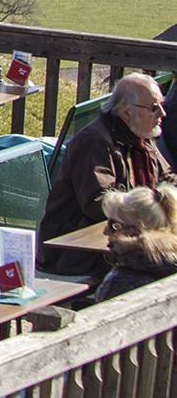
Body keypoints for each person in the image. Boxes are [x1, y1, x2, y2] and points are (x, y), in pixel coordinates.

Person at [40, 73, 175, 277]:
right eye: (154, 107)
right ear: (127, 113)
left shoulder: (142, 136)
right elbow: (99, 204)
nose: (163, 113)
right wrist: (149, 208)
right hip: (76, 253)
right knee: (162, 268)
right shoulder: (94, 141)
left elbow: (167, 178)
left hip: (126, 239)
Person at [84, 181, 177, 306]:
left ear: (135, 231)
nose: (105, 231)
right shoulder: (168, 266)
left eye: (113, 225)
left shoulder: (118, 284)